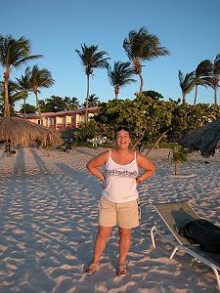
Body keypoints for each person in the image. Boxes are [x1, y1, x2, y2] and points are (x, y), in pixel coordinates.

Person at [85, 126, 155, 276]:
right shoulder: (107, 155)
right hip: (108, 201)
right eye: (119, 136)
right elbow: (90, 165)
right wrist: (103, 178)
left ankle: (121, 264)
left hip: (129, 202)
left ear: (130, 139)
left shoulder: (137, 157)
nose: (122, 139)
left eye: (125, 136)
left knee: (125, 234)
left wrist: (139, 180)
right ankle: (95, 262)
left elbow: (151, 169)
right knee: (103, 233)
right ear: (115, 139)